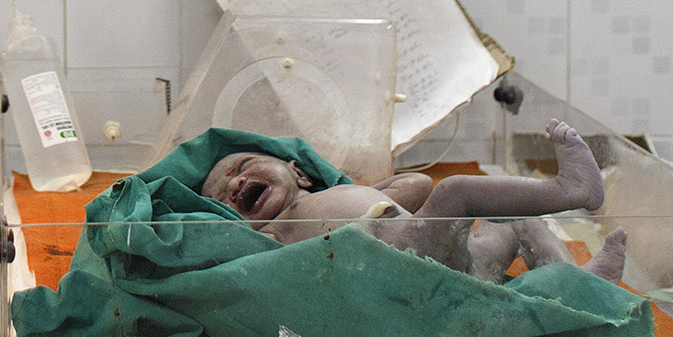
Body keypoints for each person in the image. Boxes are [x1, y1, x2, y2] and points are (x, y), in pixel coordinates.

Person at [198, 118, 629, 284]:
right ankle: (568, 191)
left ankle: (579, 284)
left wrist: (382, 191)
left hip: (451, 260)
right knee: (456, 191)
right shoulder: (273, 231)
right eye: (221, 197)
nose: (233, 185)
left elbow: (418, 187)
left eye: (243, 166)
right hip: (400, 269)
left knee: (514, 223)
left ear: (298, 171)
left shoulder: (335, 193)